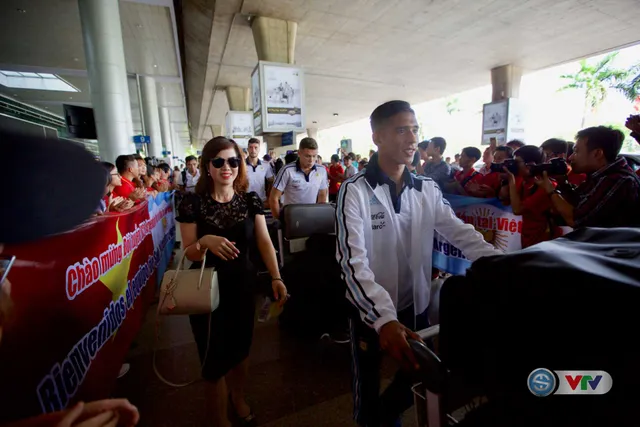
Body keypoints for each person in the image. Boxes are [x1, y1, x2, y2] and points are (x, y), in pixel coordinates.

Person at [336, 101, 502, 427]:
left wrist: (508, 264)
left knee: (416, 374)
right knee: (367, 387)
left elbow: (461, 233)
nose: (412, 138)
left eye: (414, 129)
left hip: (416, 302)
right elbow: (353, 262)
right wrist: (383, 319)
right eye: (401, 129)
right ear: (378, 138)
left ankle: (387, 415)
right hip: (370, 309)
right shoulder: (353, 191)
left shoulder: (426, 188)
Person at [176, 136, 287, 427]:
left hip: (242, 286)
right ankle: (219, 417)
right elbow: (189, 251)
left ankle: (238, 396)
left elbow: (264, 241)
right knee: (213, 358)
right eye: (219, 161)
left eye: (233, 161)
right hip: (205, 290)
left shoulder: (249, 200)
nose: (227, 167)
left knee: (240, 350)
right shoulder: (191, 203)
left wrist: (276, 276)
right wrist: (205, 242)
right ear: (207, 167)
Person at [536, 126, 640, 228]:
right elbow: (577, 204)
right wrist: (563, 183)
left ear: (597, 153)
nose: (571, 157)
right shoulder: (598, 176)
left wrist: (550, 190)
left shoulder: (618, 180)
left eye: (576, 151)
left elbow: (575, 220)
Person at [501, 145, 556, 248]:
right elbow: (505, 202)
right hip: (526, 234)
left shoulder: (545, 185)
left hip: (543, 238)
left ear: (529, 165)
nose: (514, 165)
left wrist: (511, 180)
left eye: (517, 162)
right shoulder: (522, 181)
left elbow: (517, 210)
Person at [269, 138, 328, 220]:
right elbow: (274, 198)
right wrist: (279, 220)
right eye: (307, 156)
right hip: (291, 218)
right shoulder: (287, 170)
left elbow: (322, 194)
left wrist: (318, 216)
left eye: (314, 156)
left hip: (312, 217)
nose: (311, 160)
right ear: (299, 153)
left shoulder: (321, 170)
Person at [245, 138, 274, 206]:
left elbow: (271, 182)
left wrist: (269, 197)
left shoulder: (266, 165)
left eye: (256, 147)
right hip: (245, 201)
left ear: (259, 149)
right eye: (251, 147)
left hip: (261, 200)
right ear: (248, 149)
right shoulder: (241, 165)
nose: (253, 150)